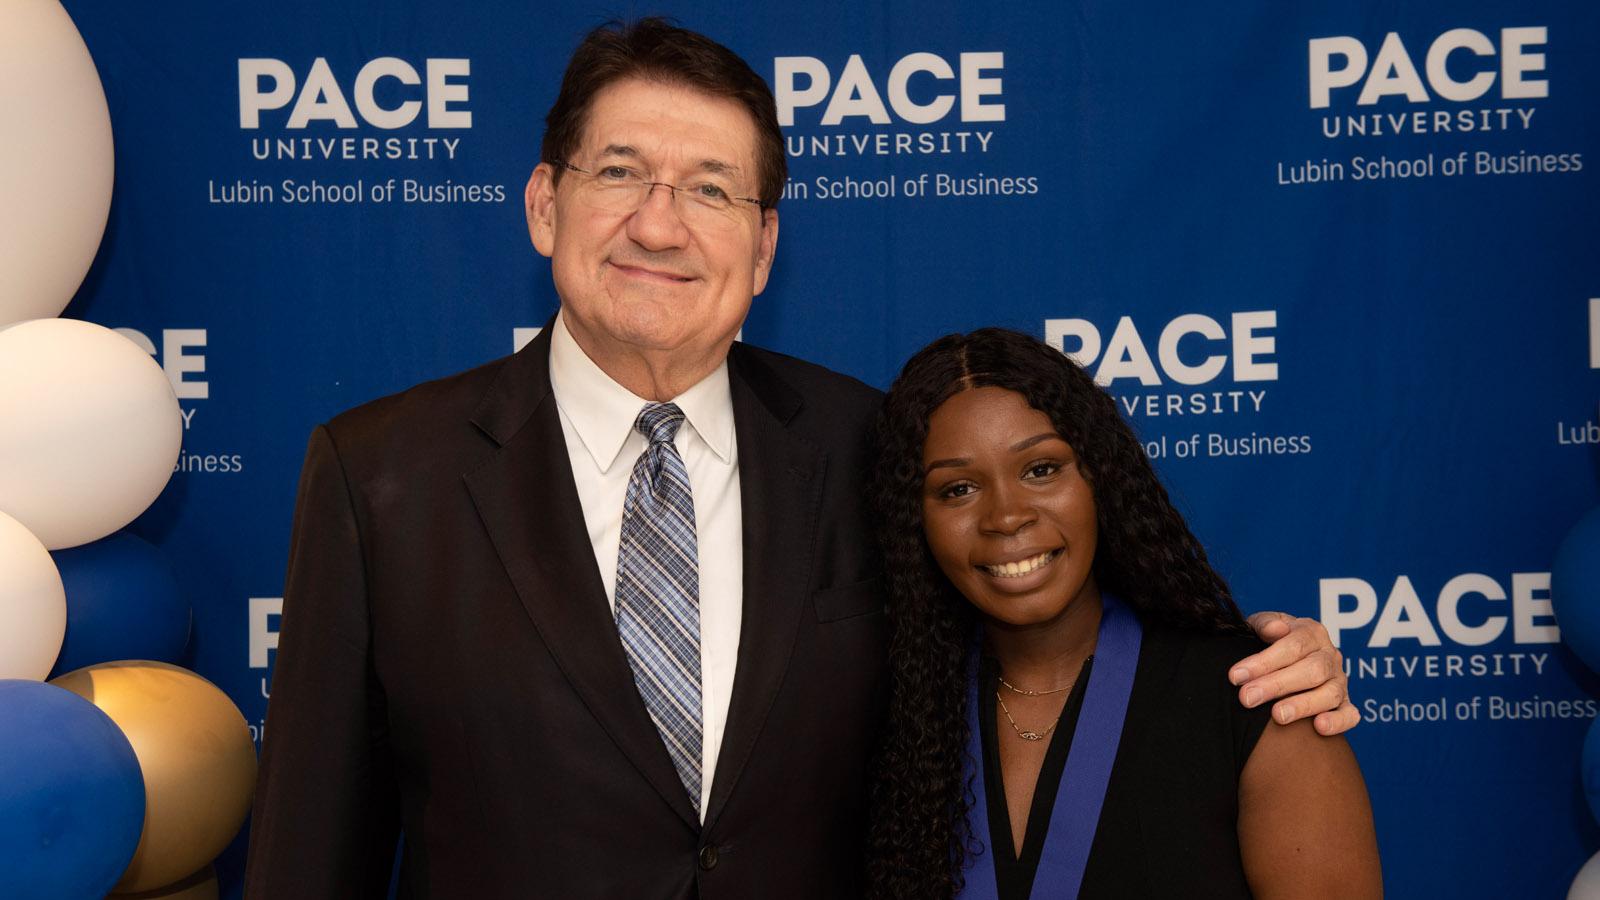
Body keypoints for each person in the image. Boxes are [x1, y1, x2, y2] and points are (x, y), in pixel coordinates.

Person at [245, 19, 1357, 900]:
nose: (661, 224)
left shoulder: (873, 446)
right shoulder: (379, 473)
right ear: (545, 203)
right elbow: (312, 850)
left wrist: (1261, 668)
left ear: (765, 244)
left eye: (713, 190)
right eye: (620, 173)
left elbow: (1038, 625)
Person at [865, 328, 1381, 900]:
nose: (1006, 517)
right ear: (916, 524)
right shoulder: (889, 722)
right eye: (958, 489)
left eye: (1041, 469)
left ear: (1100, 477)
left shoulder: (1261, 697)